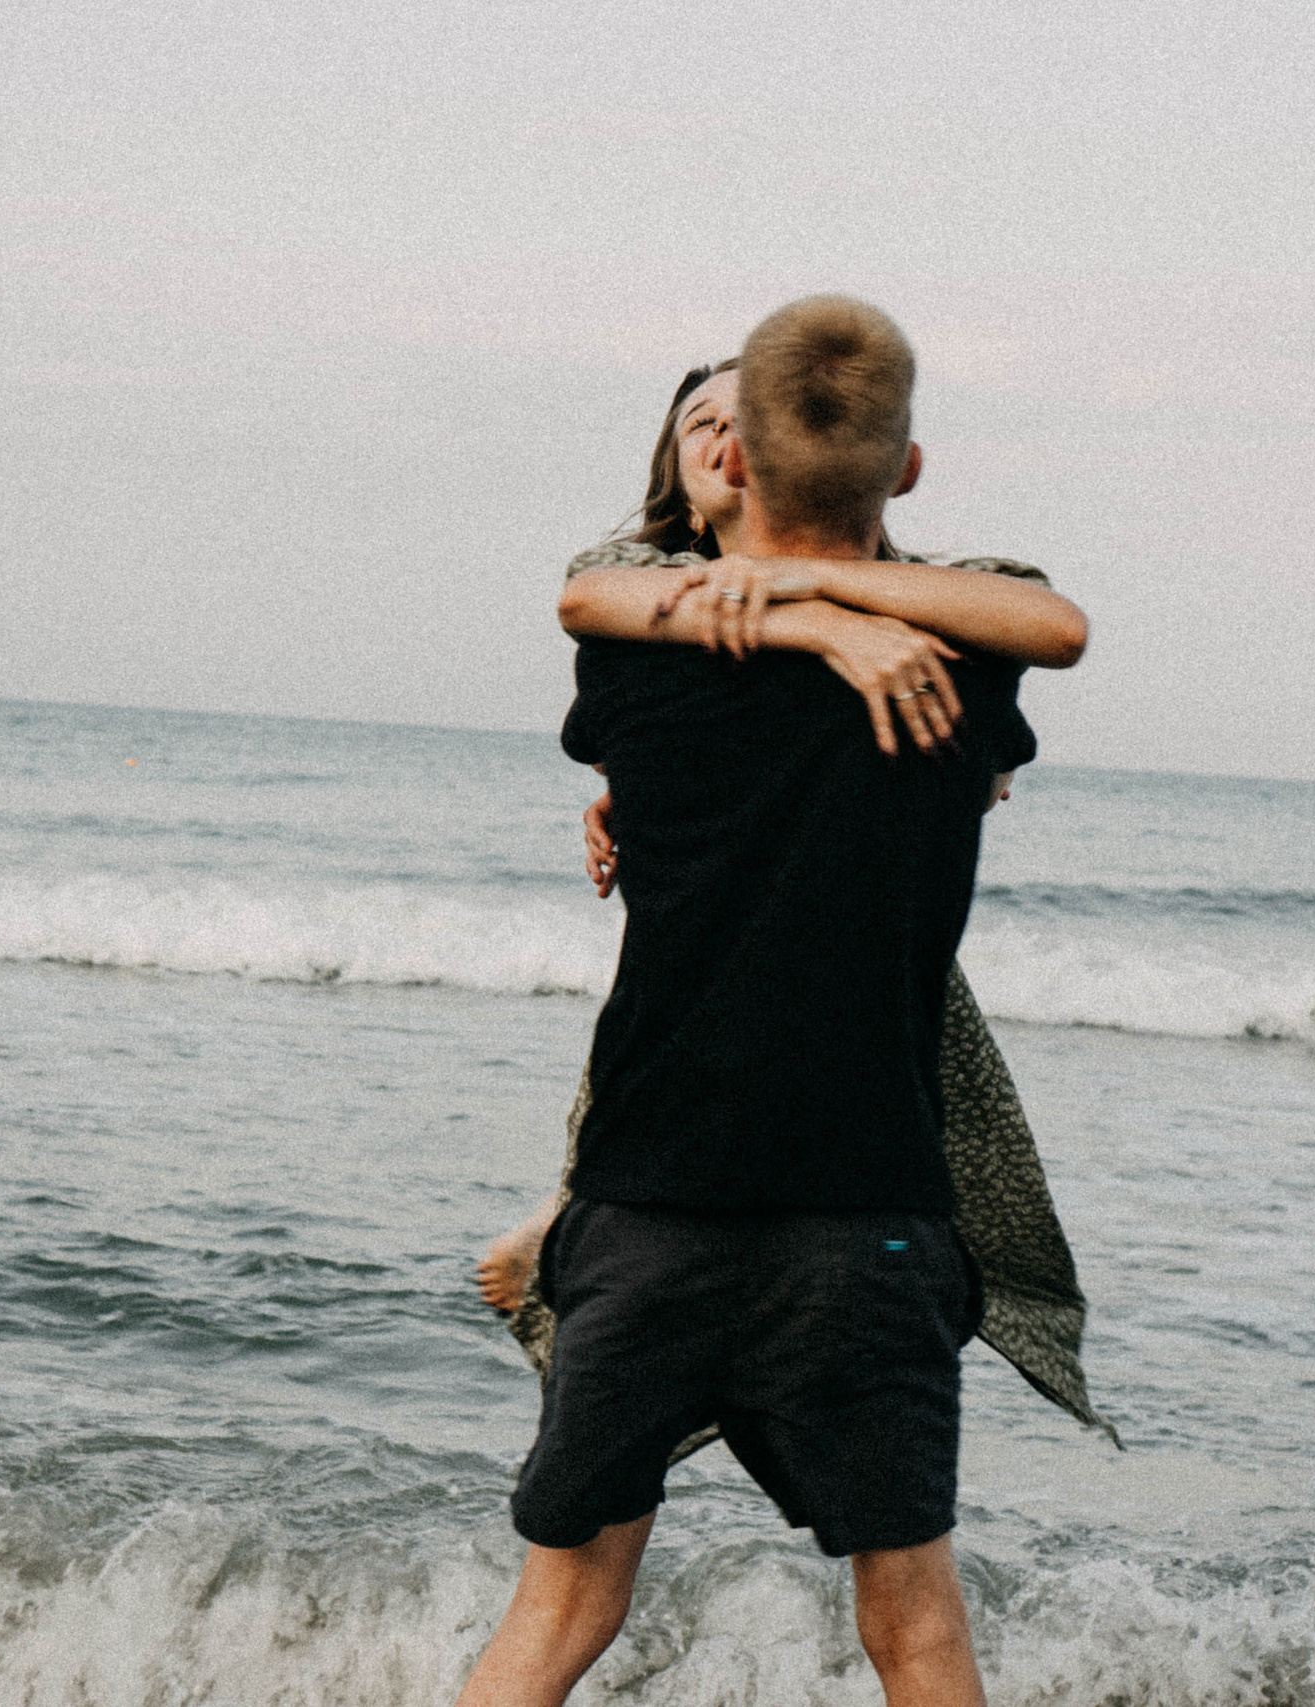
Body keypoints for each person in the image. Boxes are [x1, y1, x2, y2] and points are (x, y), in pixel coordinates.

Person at [455, 297, 1084, 1707]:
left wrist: (786, 604)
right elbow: (1048, 640)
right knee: (913, 1622)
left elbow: (593, 604)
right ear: (906, 471)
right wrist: (847, 618)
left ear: (741, 466)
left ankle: (541, 1234)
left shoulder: (636, 654)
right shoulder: (966, 667)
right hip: (867, 1220)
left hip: (651, 1206)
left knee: (558, 1611)